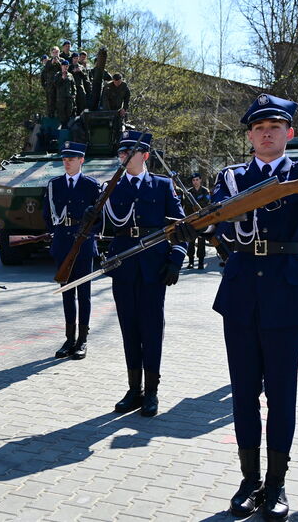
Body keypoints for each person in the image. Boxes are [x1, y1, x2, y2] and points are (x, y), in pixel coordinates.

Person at [172, 94, 298, 520]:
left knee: (282, 394)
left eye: (275, 127)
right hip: (242, 290)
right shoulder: (231, 178)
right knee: (244, 392)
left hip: (286, 290)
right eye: (259, 128)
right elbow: (217, 224)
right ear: (249, 135)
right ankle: (250, 480)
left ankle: (277, 484)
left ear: (289, 134)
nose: (267, 133)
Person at [104, 131, 187, 418]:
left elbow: (181, 225)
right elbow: (101, 228)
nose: (125, 156)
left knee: (151, 330)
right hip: (123, 268)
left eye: (131, 151)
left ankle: (151, 391)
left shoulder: (162, 186)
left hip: (154, 267)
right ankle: (134, 389)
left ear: (146, 155)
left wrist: (176, 258)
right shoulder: (111, 186)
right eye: (122, 152)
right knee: (129, 329)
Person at [42, 141, 101, 360]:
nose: (67, 163)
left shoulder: (91, 185)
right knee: (67, 292)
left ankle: (82, 339)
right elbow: (47, 214)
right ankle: (69, 338)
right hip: (63, 243)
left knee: (83, 293)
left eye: (71, 159)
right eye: (65, 159)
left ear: (81, 160)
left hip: (83, 244)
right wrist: (57, 233)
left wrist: (85, 233)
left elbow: (99, 217)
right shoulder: (54, 184)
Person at [185, 172, 211, 269]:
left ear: (200, 180)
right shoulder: (189, 192)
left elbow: (206, 203)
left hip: (202, 219)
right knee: (191, 240)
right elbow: (187, 205)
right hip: (191, 219)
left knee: (201, 241)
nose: (195, 182)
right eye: (193, 180)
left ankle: (200, 262)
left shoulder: (205, 191)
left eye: (197, 180)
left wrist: (196, 205)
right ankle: (191, 261)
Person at [54, 60, 76, 129]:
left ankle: (68, 126)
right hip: (61, 97)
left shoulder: (70, 75)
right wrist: (62, 79)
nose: (65, 68)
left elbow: (73, 86)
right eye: (64, 66)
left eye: (67, 66)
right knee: (61, 113)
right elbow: (55, 84)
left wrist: (74, 94)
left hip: (69, 97)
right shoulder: (58, 74)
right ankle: (63, 127)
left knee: (69, 112)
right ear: (61, 66)